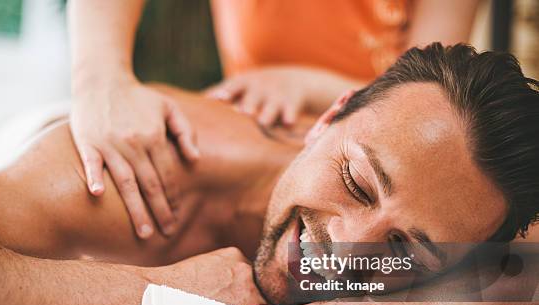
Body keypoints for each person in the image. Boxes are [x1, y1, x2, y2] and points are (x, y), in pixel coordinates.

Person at [0, 44, 538, 305]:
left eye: (404, 247)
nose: (348, 248)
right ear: (326, 119)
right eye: (356, 184)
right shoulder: (129, 173)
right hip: (34, 137)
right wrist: (160, 290)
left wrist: (434, 302)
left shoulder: (458, 203)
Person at [67, 0, 479, 240]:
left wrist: (312, 86)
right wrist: (100, 79)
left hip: (389, 156)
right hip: (252, 121)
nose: (346, 246)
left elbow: (432, 93)